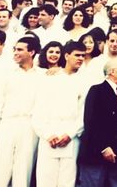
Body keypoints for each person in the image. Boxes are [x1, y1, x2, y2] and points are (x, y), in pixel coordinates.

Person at [32, 41, 87, 187]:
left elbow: (83, 114)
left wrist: (70, 134)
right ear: (67, 55)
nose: (80, 58)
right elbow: (38, 110)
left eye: (83, 55)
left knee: (67, 181)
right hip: (48, 135)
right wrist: (47, 134)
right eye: (77, 55)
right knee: (45, 180)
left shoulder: (85, 81)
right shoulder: (50, 78)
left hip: (71, 137)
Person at [78, 59, 117, 187]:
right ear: (112, 72)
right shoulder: (96, 90)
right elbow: (90, 121)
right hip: (95, 155)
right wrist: (103, 147)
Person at [0, 36, 41, 187]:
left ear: (32, 52)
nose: (15, 52)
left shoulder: (42, 75)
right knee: (0, 170)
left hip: (30, 125)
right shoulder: (5, 73)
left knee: (23, 171)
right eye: (14, 49)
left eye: (20, 50)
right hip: (7, 124)